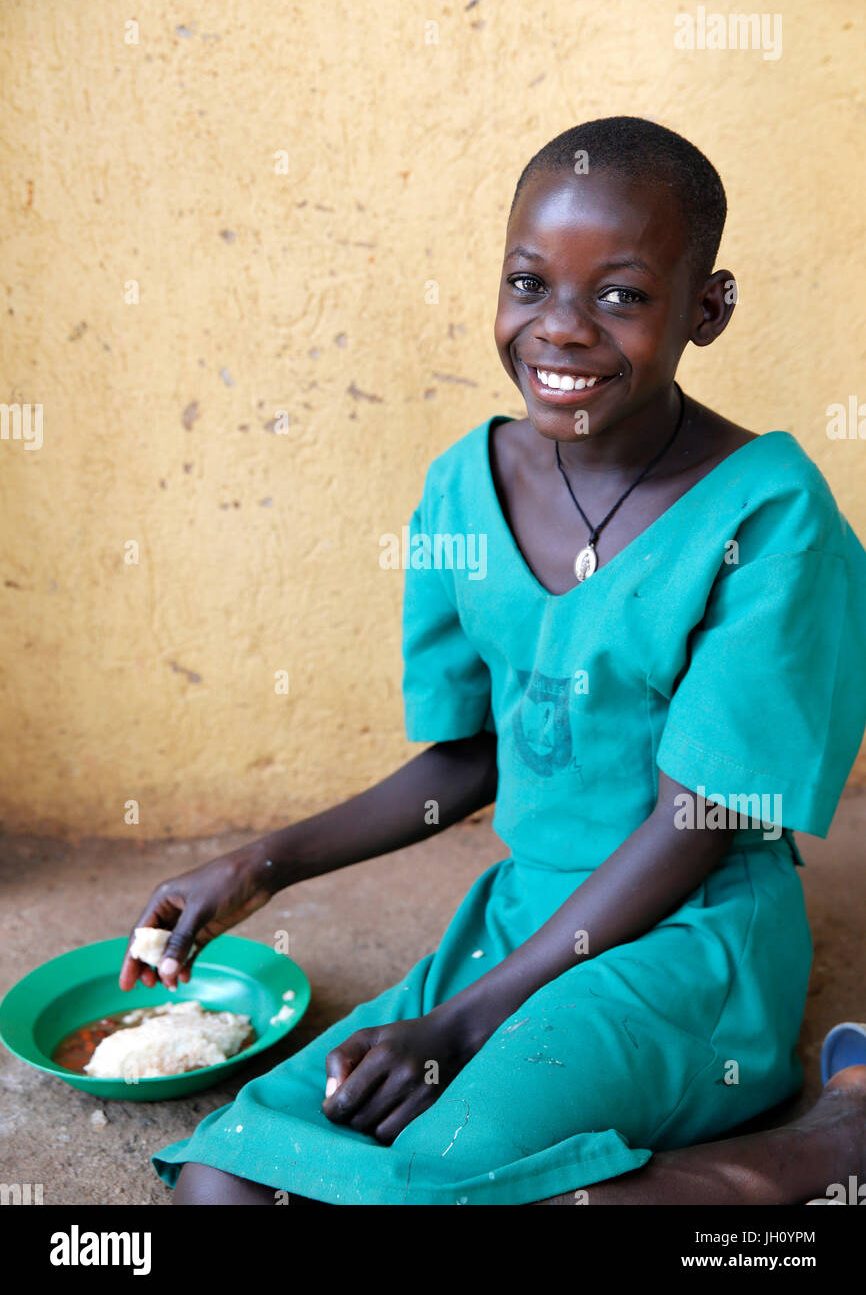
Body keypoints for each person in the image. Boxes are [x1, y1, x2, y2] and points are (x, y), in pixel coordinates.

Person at [126, 116, 866, 1205]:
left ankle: (829, 1138)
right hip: (524, 918)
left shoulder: (770, 520)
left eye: (619, 294)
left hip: (689, 931)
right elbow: (467, 757)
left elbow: (696, 822)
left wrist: (462, 1020)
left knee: (456, 1176)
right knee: (219, 1178)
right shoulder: (461, 491)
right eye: (528, 284)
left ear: (704, 309)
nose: (559, 330)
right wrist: (256, 866)